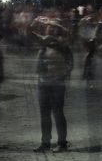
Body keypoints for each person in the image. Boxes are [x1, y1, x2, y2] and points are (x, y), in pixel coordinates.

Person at [33, 19, 73, 153]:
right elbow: (29, 32)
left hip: (57, 82)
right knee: (44, 114)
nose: (50, 29)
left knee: (58, 113)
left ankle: (62, 143)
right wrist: (34, 21)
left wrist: (56, 24)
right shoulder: (44, 43)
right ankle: (45, 143)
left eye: (53, 28)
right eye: (48, 27)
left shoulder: (62, 43)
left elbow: (69, 35)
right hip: (43, 82)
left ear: (58, 30)